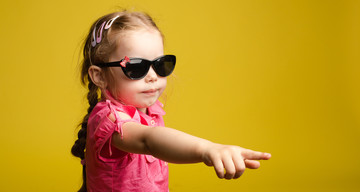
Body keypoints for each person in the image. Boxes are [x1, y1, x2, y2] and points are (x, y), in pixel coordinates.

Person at [71, 10, 271, 192]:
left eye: (160, 65)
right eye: (136, 67)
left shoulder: (150, 111)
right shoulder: (109, 120)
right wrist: (206, 148)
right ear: (99, 76)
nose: (152, 76)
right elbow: (148, 140)